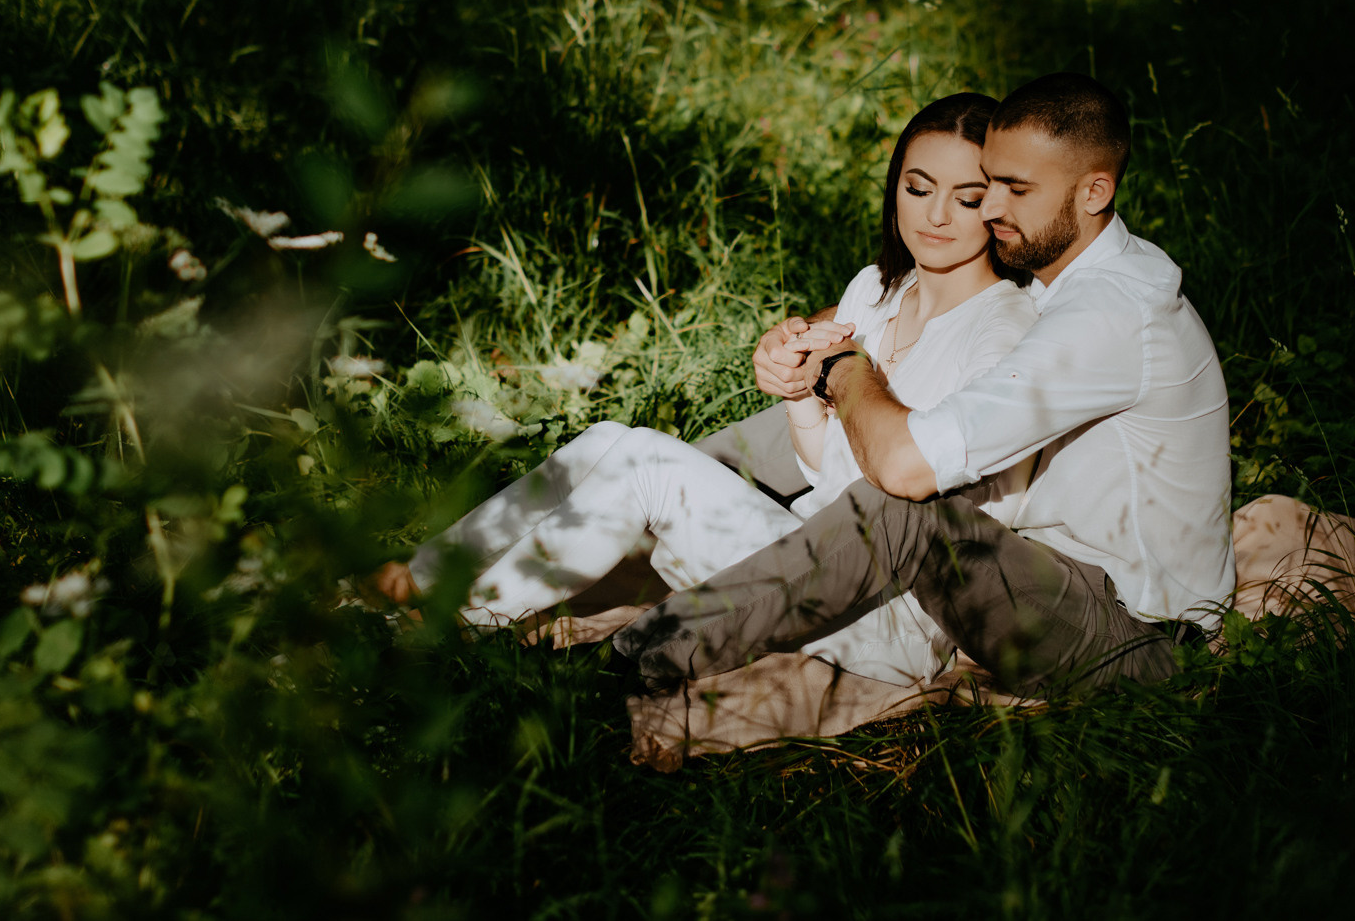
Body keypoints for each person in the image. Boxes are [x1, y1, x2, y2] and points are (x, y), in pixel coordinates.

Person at [373, 93, 1039, 685]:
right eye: (918, 188)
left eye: (969, 198)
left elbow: (939, 510)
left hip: (891, 606)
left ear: (1000, 206)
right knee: (611, 438)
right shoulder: (876, 290)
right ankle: (423, 575)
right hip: (812, 545)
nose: (936, 215)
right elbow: (824, 466)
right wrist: (800, 392)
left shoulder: (1003, 329)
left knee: (646, 466)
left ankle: (456, 625)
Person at [615, 72, 1236, 697]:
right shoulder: (1093, 273)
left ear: (1094, 191)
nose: (991, 209)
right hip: (1054, 577)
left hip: (1133, 638)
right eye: (990, 186)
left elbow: (906, 468)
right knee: (781, 428)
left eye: (1014, 190)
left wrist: (842, 364)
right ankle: (624, 501)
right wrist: (816, 336)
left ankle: (639, 656)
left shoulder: (1108, 316)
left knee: (901, 509)